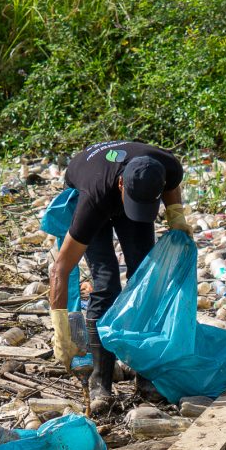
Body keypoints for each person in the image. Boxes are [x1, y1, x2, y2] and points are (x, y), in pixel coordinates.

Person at [48, 140, 190, 414]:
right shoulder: (93, 199)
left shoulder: (167, 165)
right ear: (122, 184)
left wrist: (176, 216)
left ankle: (145, 373)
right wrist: (61, 329)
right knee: (106, 283)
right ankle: (100, 379)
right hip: (92, 187)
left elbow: (172, 186)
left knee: (144, 278)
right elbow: (60, 269)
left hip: (131, 188)